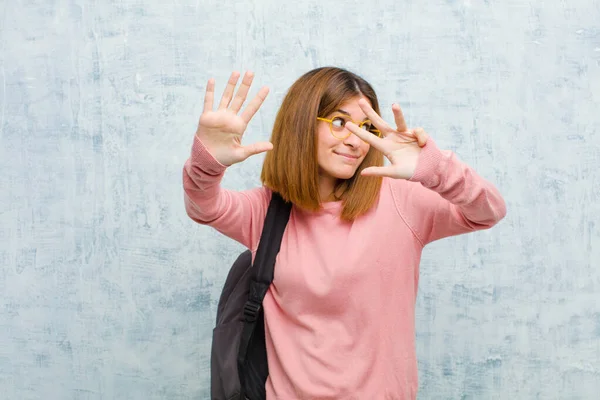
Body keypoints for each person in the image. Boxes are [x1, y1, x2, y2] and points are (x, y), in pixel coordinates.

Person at [183, 67, 506, 399]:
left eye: (365, 127)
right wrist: (208, 162)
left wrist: (437, 169)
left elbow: (488, 210)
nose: (355, 140)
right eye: (339, 122)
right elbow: (204, 206)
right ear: (302, 124)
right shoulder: (264, 211)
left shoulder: (400, 200)